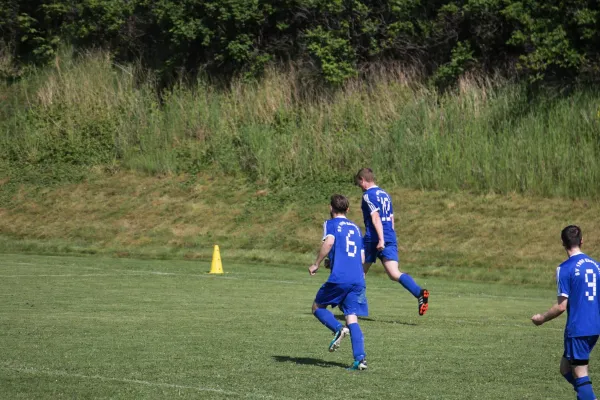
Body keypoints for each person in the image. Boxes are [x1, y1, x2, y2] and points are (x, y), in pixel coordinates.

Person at [531, 225, 600, 400]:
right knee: (565, 368)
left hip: (578, 329)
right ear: (582, 241)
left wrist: (541, 318)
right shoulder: (597, 266)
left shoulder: (565, 268)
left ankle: (587, 396)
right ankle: (585, 394)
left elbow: (561, 306)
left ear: (563, 242)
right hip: (594, 326)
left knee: (580, 373)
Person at [354, 168, 429, 315]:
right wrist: (390, 237)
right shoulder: (385, 195)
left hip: (374, 238)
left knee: (360, 271)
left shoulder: (368, 196)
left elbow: (375, 218)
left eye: (359, 184)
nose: (360, 187)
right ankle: (419, 293)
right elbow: (391, 218)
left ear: (363, 180)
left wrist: (381, 239)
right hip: (389, 235)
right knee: (394, 273)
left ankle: (356, 307)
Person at [309, 194, 368, 371]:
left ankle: (337, 328)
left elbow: (329, 243)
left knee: (317, 307)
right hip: (357, 277)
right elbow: (361, 256)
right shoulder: (357, 228)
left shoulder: (331, 224)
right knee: (352, 317)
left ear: (330, 208)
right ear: (348, 209)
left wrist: (316, 263)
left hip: (340, 277)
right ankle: (360, 359)